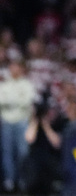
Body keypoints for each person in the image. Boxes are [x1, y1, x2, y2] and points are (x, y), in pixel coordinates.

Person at [0, 60, 37, 193]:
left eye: (17, 67)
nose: (14, 69)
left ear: (21, 69)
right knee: (7, 152)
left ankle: (23, 180)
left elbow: (26, 101)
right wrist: (15, 100)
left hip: (22, 122)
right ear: (9, 68)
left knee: (23, 152)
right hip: (6, 122)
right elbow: (1, 101)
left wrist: (9, 101)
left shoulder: (26, 84)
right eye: (12, 66)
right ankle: (10, 180)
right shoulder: (4, 84)